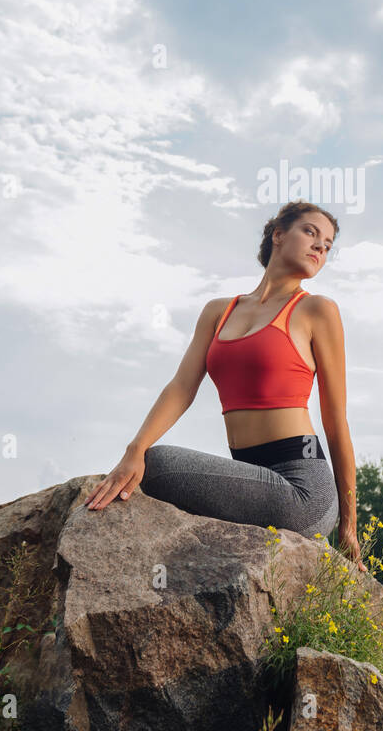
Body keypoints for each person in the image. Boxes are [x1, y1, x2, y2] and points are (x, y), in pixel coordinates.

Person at [83, 200, 366, 571]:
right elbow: (182, 387)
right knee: (146, 459)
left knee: (160, 465)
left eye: (328, 245)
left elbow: (335, 420)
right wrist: (134, 448)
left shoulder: (317, 311)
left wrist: (349, 527)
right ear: (278, 235)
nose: (320, 247)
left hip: (303, 488)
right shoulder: (219, 311)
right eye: (311, 232)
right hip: (252, 474)